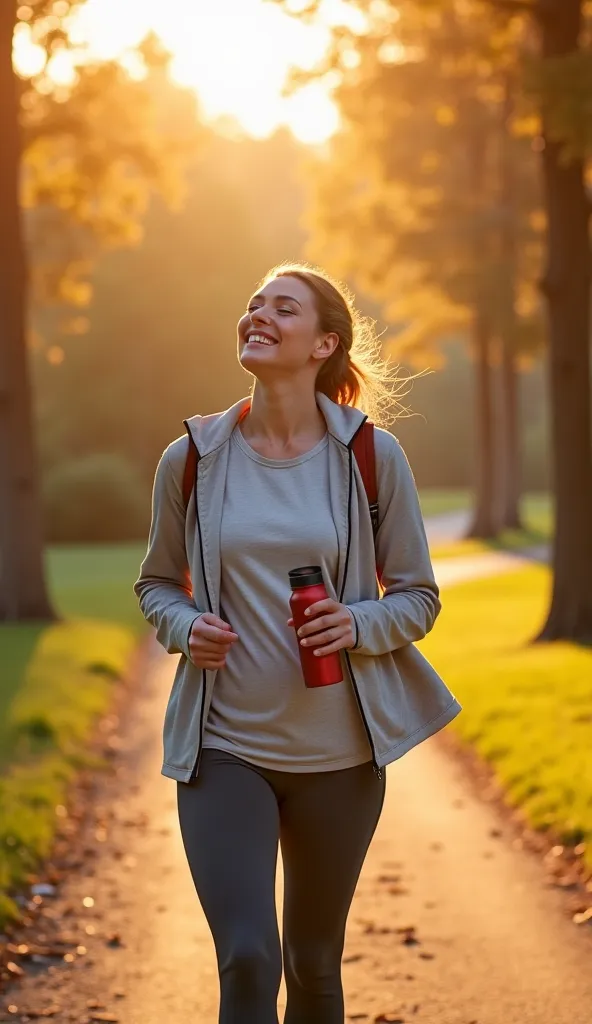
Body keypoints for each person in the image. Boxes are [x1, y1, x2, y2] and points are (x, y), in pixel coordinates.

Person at [134, 262, 462, 1024]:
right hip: (225, 748)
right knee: (247, 958)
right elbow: (155, 584)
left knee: (312, 965)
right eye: (253, 303)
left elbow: (419, 596)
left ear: (323, 344)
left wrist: (358, 621)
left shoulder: (371, 459)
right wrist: (187, 628)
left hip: (340, 759)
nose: (260, 314)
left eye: (284, 308)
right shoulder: (192, 458)